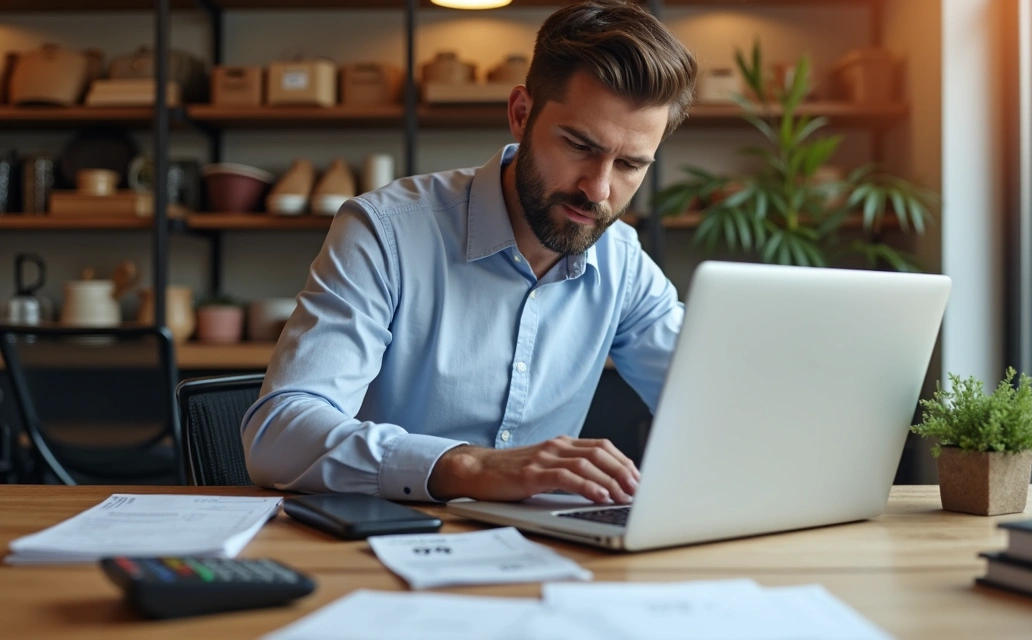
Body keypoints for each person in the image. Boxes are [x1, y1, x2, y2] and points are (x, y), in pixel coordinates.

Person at [241, 0, 698, 507]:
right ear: (522, 115)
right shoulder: (386, 232)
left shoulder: (623, 262)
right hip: (380, 548)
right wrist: (468, 466)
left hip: (545, 554)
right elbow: (277, 436)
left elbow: (713, 403)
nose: (598, 189)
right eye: (578, 145)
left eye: (631, 164)